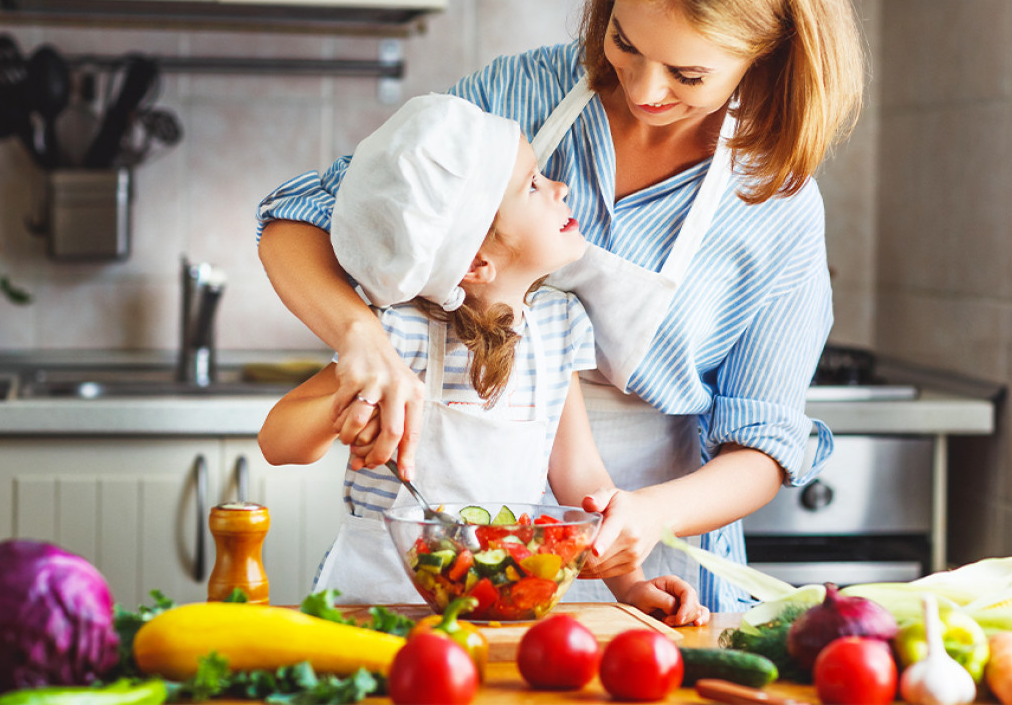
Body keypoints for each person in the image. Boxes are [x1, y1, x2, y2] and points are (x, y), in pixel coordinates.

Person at [256, 0, 864, 613]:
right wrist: (363, 341)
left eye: (688, 75)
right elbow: (306, 216)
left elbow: (764, 442)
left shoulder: (773, 204)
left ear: (766, 53)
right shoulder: (521, 95)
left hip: (639, 543)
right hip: (412, 591)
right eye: (624, 42)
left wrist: (644, 527)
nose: (645, 90)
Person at [258, 94, 710, 625]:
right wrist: (342, 411)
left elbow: (578, 474)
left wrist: (629, 585)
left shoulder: (558, 325)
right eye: (534, 185)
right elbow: (276, 440)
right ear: (476, 261)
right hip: (375, 605)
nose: (559, 187)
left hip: (503, 602)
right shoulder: (398, 333)